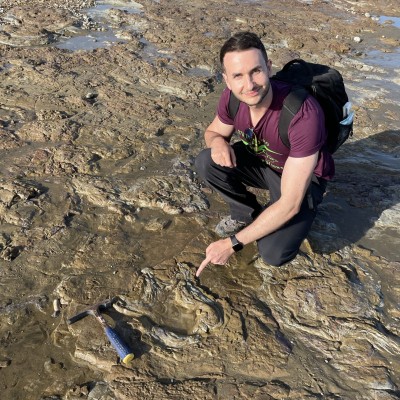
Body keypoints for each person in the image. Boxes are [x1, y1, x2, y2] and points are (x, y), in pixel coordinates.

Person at [195, 31, 334, 277]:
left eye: (255, 71)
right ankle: (245, 213)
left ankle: (305, 212)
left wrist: (232, 244)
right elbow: (213, 131)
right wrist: (217, 142)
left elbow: (290, 204)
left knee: (273, 253)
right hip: (264, 163)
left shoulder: (302, 114)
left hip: (302, 180)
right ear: (226, 79)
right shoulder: (232, 98)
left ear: (268, 67)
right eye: (238, 76)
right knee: (207, 161)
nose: (248, 85)